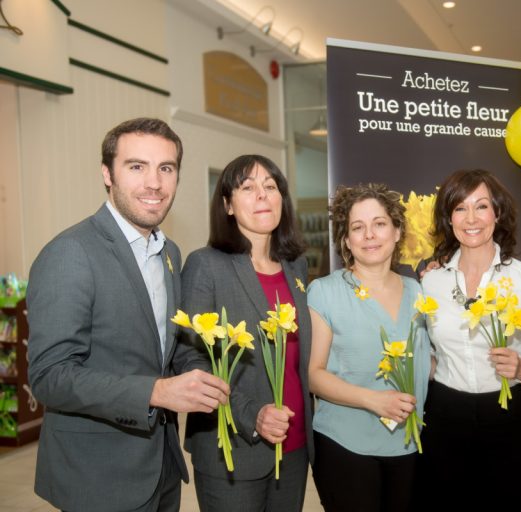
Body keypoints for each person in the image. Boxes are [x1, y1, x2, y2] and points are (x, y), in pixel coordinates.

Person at [26, 118, 230, 512]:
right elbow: (49, 377)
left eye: (166, 168)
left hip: (161, 469)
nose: (154, 183)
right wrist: (155, 392)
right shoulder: (71, 253)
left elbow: (160, 351)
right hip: (99, 477)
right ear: (107, 173)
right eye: (137, 167)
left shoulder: (169, 253)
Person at [175, 155, 313, 511]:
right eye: (248, 188)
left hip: (294, 446)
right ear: (228, 205)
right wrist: (252, 414)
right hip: (232, 449)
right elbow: (189, 358)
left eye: (270, 186)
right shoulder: (206, 264)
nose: (262, 196)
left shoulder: (296, 266)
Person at [417, 169, 521, 511]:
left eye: (481, 206)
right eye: (460, 208)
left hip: (509, 418)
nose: (471, 218)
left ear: (497, 213)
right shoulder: (430, 283)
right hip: (445, 418)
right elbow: (429, 356)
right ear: (448, 218)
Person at [307, 183, 430, 512]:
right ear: (346, 240)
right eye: (357, 228)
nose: (369, 235)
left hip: (410, 445)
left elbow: (427, 362)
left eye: (379, 223)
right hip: (345, 447)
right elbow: (313, 375)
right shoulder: (325, 292)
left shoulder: (419, 292)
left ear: (396, 230)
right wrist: (373, 400)